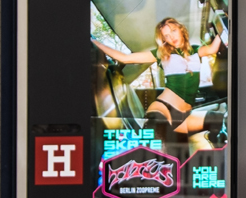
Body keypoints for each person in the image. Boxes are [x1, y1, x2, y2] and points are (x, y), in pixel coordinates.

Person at [92, 17, 224, 138]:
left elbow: (213, 48)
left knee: (219, 120)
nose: (171, 37)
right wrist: (95, 43)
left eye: (173, 30)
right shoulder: (162, 54)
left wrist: (224, 24)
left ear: (181, 29)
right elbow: (125, 58)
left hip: (185, 116)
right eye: (166, 35)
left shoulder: (196, 50)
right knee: (158, 140)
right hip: (164, 108)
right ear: (164, 40)